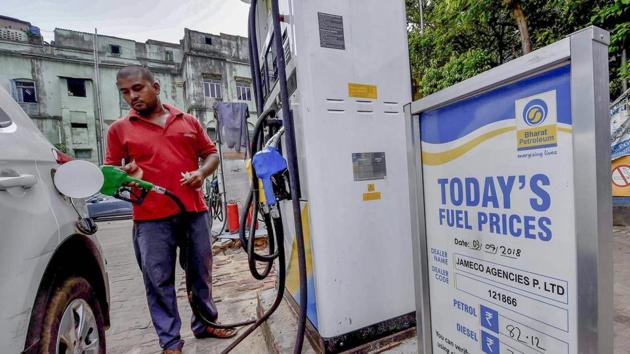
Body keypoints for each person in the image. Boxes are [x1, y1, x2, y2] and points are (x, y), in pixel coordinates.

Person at [105, 65, 236, 354]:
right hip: (150, 220)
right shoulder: (119, 130)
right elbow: (111, 174)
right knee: (158, 280)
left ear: (156, 86)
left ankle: (204, 324)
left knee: (200, 274)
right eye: (125, 92)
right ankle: (170, 342)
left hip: (193, 211)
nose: (132, 97)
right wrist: (127, 174)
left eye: (137, 88)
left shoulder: (187, 120)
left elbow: (211, 153)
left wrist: (201, 173)